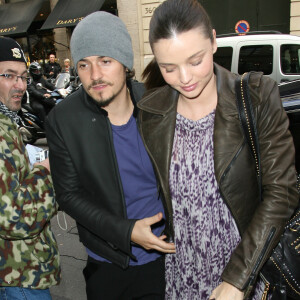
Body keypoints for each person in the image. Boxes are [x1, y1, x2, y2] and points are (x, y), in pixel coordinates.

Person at [137, 0, 299, 299]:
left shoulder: (255, 97)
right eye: (168, 68)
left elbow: (283, 192)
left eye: (194, 60)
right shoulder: (152, 112)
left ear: (213, 41)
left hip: (245, 272)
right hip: (181, 272)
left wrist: (237, 279)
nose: (184, 78)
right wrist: (127, 227)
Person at [45, 11, 175, 300]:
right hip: (106, 264)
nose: (95, 76)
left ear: (125, 63)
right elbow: (68, 195)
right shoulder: (63, 120)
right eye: (84, 64)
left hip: (166, 260)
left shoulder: (158, 105)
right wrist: (126, 231)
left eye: (105, 60)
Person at [0, 37, 60, 299]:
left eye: (23, 77)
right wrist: (47, 170)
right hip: (19, 275)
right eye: (9, 76)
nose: (20, 85)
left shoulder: (8, 123)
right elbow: (15, 217)